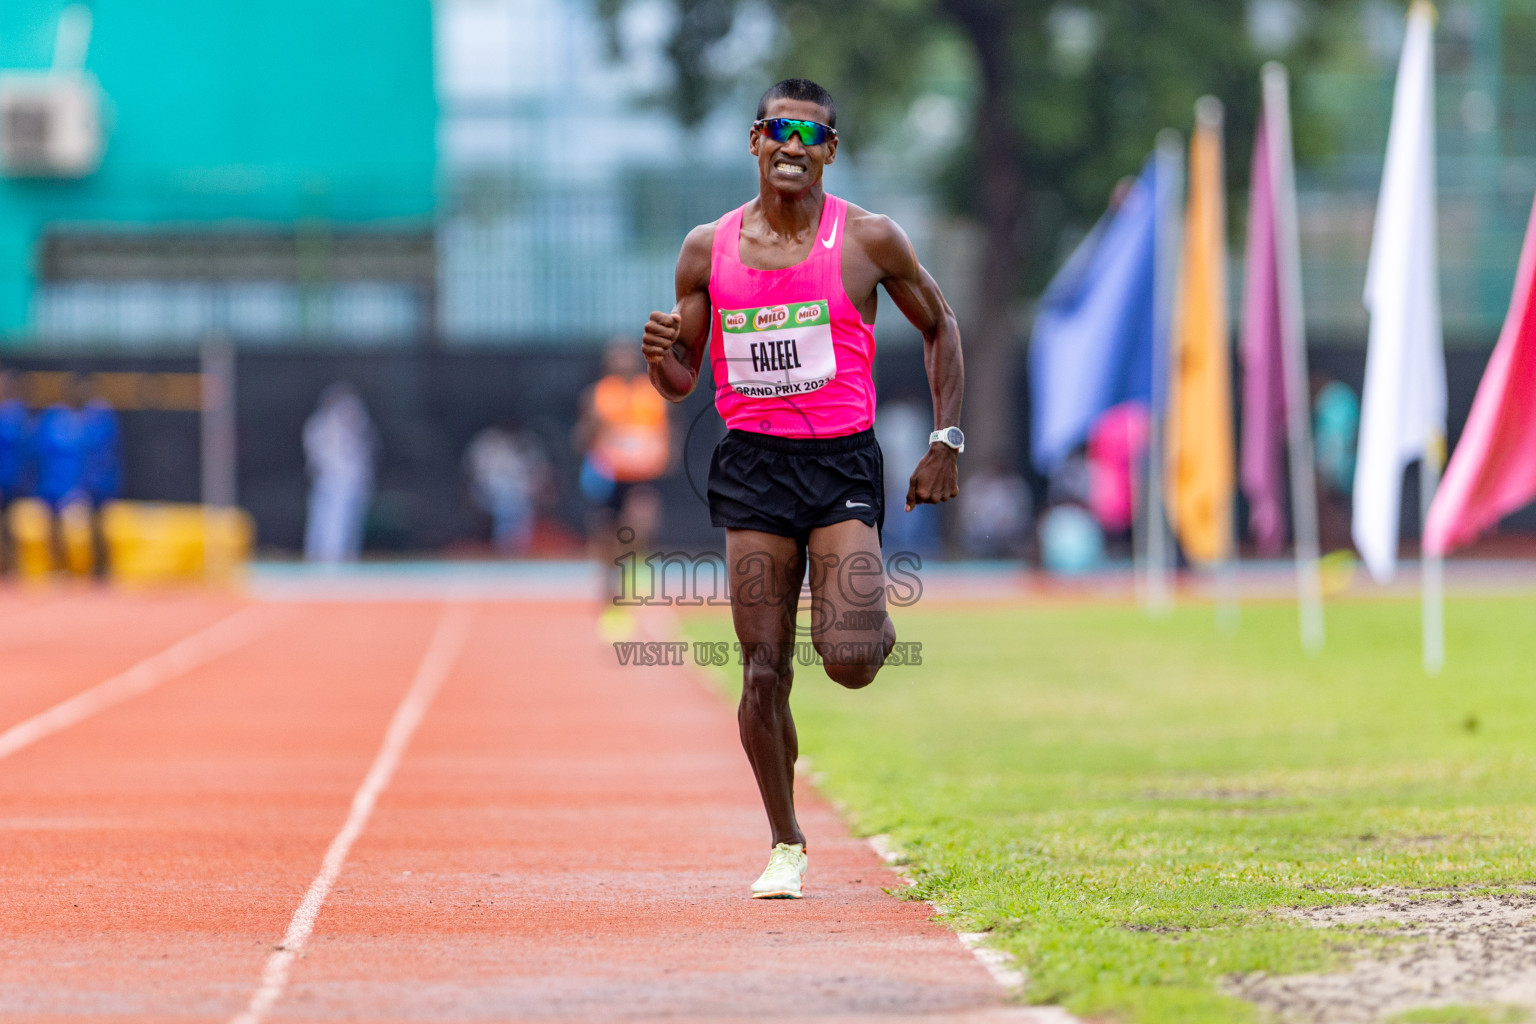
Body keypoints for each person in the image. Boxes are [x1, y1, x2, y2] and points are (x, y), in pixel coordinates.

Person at [641, 78, 964, 899]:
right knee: (760, 670)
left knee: (849, 661)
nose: (793, 146)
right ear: (754, 140)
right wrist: (661, 361)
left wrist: (945, 441)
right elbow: (683, 383)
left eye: (811, 134)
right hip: (751, 466)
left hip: (841, 463)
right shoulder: (704, 249)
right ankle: (785, 841)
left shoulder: (868, 239)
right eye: (779, 130)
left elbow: (942, 326)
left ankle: (865, 629)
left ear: (829, 150)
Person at [302, 383, 376, 564]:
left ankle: (342, 557)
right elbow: (316, 452)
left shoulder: (352, 423)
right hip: (332, 478)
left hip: (351, 479)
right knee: (329, 520)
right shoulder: (323, 423)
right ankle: (327, 558)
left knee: (348, 521)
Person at [463, 422, 550, 556]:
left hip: (523, 496)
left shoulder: (528, 441)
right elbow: (472, 473)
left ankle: (516, 550)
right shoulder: (488, 441)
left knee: (515, 502)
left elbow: (540, 474)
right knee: (508, 500)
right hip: (488, 493)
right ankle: (507, 550)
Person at [0, 370, 31, 574]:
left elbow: (25, 450)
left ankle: (12, 566)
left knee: (10, 524)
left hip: (10, 479)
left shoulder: (18, 414)